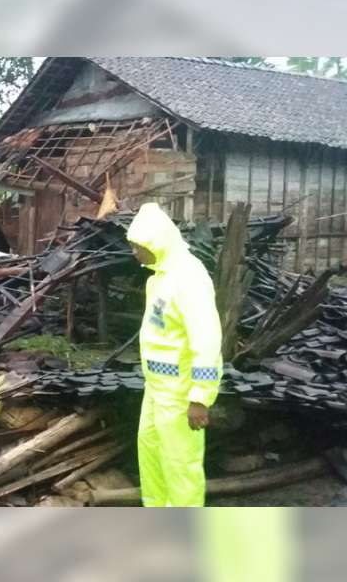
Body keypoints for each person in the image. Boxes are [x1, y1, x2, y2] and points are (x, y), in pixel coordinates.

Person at [126, 203, 223, 507]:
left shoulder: (190, 278)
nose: (134, 253)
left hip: (181, 395)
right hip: (156, 390)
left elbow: (206, 339)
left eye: (137, 247)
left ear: (157, 243)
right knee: (152, 457)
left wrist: (200, 397)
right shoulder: (158, 277)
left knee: (181, 467)